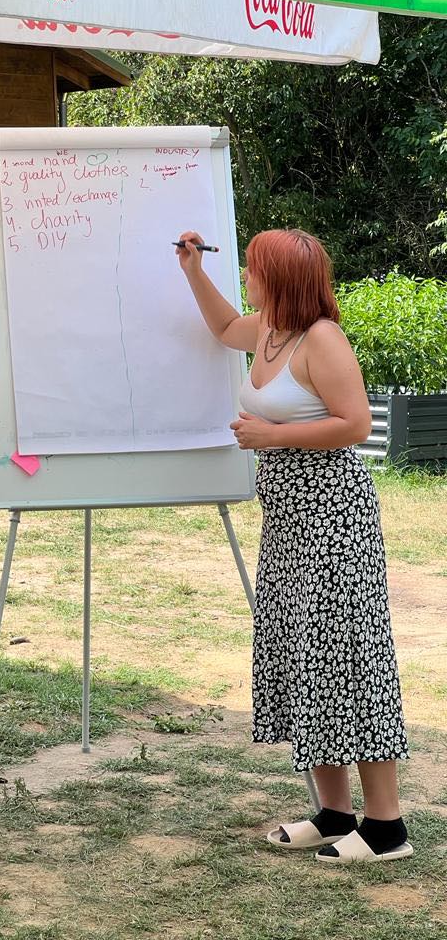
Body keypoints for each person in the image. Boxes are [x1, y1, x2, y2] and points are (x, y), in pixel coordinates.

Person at [176, 228, 411, 865]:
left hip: (336, 521)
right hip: (288, 523)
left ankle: (387, 826)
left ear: (279, 279)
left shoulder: (322, 339)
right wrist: (193, 270)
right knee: (306, 659)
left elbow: (356, 424)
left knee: (351, 661)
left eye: (253, 269)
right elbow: (223, 327)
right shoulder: (268, 331)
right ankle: (335, 813)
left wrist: (274, 435)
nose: (246, 278)